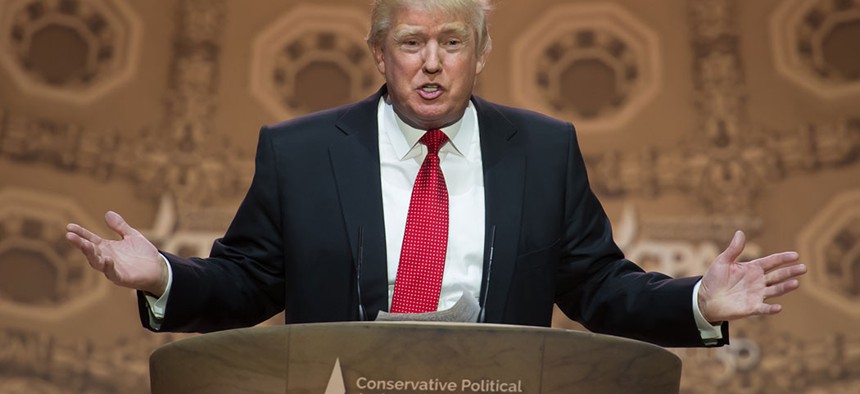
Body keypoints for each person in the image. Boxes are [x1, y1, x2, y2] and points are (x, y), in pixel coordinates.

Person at [64, 0, 806, 347]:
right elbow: (246, 281)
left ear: (481, 53)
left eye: (452, 40)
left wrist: (699, 303)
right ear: (378, 55)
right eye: (411, 41)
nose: (431, 62)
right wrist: (161, 275)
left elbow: (599, 289)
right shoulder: (300, 152)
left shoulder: (544, 151)